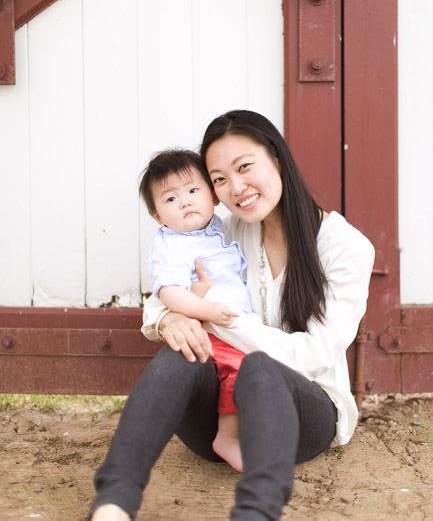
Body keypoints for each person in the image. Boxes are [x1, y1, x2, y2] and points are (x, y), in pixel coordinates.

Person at [89, 109, 375, 521]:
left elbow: (312, 356)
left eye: (244, 167)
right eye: (219, 178)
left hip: (302, 418)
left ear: (276, 157)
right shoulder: (227, 229)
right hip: (218, 427)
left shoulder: (345, 247)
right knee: (181, 354)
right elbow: (165, 289)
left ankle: (256, 513)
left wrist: (219, 310)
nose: (235, 188)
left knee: (260, 367)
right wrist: (171, 318)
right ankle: (113, 503)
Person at [139, 148, 253, 471]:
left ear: (213, 196)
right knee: (239, 367)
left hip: (236, 324)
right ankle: (227, 437)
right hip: (213, 328)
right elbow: (170, 293)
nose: (186, 202)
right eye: (171, 199)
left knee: (251, 369)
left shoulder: (217, 227)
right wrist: (206, 309)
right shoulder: (170, 245)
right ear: (157, 216)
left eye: (192, 191)